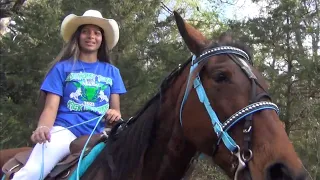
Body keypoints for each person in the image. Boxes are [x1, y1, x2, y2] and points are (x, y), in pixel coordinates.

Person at [12, 9, 126, 180]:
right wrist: (43, 128)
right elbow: (50, 107)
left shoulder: (112, 72)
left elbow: (116, 110)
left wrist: (114, 114)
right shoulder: (62, 68)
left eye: (96, 33)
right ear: (78, 36)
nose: (91, 36)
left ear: (102, 39)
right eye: (85, 32)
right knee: (32, 173)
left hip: (99, 136)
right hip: (65, 131)